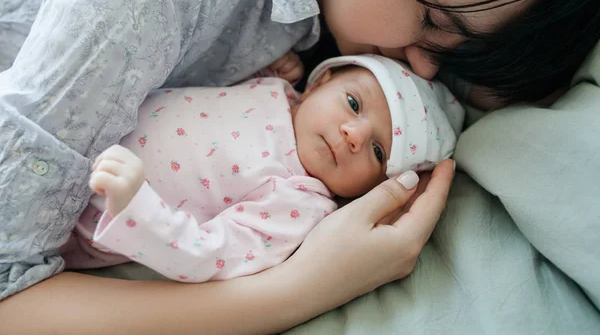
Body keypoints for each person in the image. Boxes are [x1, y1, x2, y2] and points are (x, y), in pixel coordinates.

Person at [0, 0, 597, 333]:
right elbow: (9, 295)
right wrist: (301, 289)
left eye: (461, 55)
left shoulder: (328, 23)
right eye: (433, 20)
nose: (423, 71)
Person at [60, 55, 464, 280]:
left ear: (369, 190)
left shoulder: (301, 203)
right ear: (321, 81)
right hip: (76, 129)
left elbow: (211, 256)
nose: (354, 134)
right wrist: (266, 67)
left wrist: (137, 207)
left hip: (80, 213)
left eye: (378, 152)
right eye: (354, 104)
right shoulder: (274, 89)